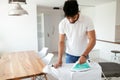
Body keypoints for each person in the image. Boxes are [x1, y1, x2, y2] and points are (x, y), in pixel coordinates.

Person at [53, 0, 96, 68]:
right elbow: (61, 42)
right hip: (70, 55)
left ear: (78, 12)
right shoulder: (62, 23)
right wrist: (59, 59)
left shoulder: (87, 20)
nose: (71, 20)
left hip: (84, 54)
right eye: (68, 18)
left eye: (73, 17)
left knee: (84, 76)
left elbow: (92, 39)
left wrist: (84, 55)